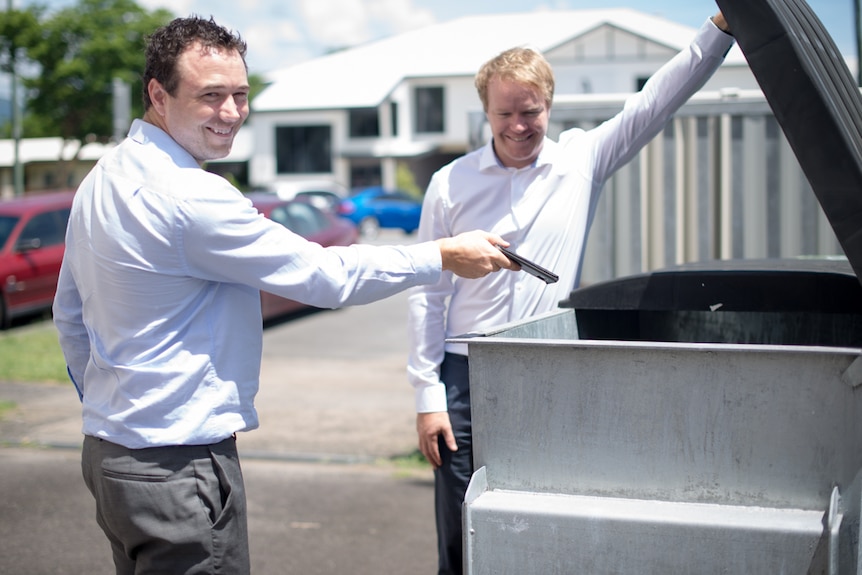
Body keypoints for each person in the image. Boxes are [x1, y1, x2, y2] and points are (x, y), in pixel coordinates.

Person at [51, 15, 516, 575]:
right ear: (157, 93)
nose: (230, 113)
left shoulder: (103, 178)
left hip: (110, 457)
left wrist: (109, 404)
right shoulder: (192, 196)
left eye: (240, 95)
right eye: (210, 95)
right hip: (177, 464)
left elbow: (69, 316)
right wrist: (442, 255)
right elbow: (324, 274)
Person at [407, 11, 734, 575]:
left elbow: (657, 99)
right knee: (462, 528)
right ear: (486, 111)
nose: (517, 126)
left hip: (544, 367)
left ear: (548, 106)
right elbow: (426, 293)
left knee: (540, 515)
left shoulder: (582, 159)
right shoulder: (450, 182)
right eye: (504, 113)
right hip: (464, 375)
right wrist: (426, 396)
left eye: (529, 111)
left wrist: (721, 29)